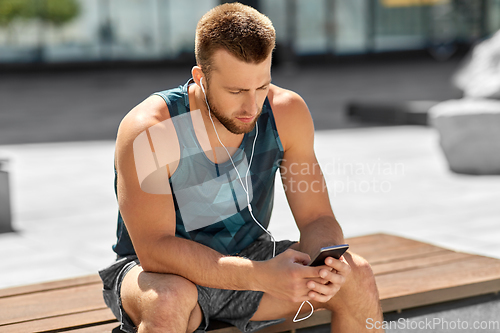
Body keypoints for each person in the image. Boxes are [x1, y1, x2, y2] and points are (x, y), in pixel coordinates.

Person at [99, 3, 384, 333]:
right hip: (162, 274)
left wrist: (326, 264)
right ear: (200, 77)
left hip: (251, 259)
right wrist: (259, 275)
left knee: (357, 275)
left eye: (261, 87)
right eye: (235, 91)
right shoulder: (152, 130)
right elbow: (155, 250)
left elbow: (317, 217)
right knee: (171, 301)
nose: (252, 106)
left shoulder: (286, 112)